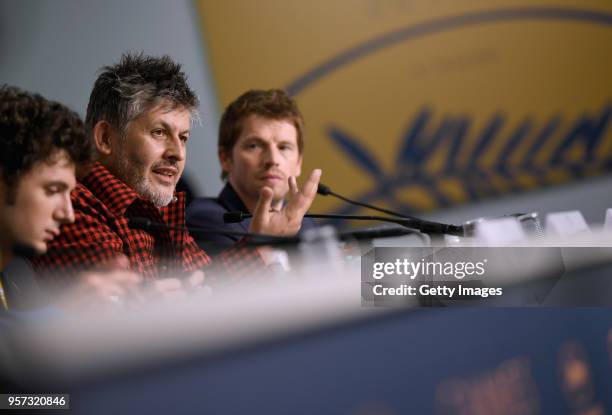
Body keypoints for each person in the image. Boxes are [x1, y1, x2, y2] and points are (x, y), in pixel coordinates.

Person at [32, 53, 320, 284]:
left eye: (183, 138)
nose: (177, 153)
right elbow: (131, 328)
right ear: (106, 138)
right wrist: (260, 247)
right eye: (159, 132)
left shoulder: (162, 212)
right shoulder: (73, 210)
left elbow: (209, 298)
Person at [0, 85, 143, 311]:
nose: (67, 214)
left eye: (70, 193)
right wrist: (64, 315)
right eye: (53, 189)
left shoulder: (18, 273)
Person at [186, 89, 317, 255]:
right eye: (254, 146)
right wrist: (264, 242)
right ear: (225, 158)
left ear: (298, 163)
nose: (272, 159)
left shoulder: (305, 223)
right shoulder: (206, 220)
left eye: (284, 147)